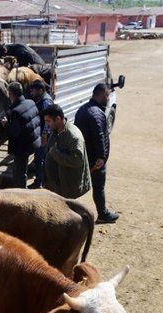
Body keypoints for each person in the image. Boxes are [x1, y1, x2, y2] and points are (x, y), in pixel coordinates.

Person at [75, 83, 118, 223]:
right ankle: (103, 214)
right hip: (95, 159)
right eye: (106, 95)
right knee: (98, 187)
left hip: (85, 156)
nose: (108, 98)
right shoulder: (97, 114)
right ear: (100, 94)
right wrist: (101, 158)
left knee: (76, 184)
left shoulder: (82, 109)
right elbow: (100, 136)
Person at [42, 104, 91, 199]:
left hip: (67, 188)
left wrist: (55, 154)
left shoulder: (73, 136)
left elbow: (77, 160)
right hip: (55, 185)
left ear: (58, 119)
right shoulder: (55, 130)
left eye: (48, 121)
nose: (47, 124)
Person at [2, 81, 41, 188]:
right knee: (21, 169)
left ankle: (22, 193)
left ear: (11, 94)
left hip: (22, 147)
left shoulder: (16, 111)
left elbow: (14, 133)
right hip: (33, 142)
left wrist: (6, 124)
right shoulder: (30, 102)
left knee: (20, 173)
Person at [28, 80, 55, 189]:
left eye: (34, 91)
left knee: (40, 159)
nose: (32, 93)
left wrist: (44, 135)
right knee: (40, 158)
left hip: (45, 136)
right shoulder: (42, 99)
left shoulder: (46, 101)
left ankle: (39, 183)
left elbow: (48, 121)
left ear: (40, 90)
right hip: (43, 135)